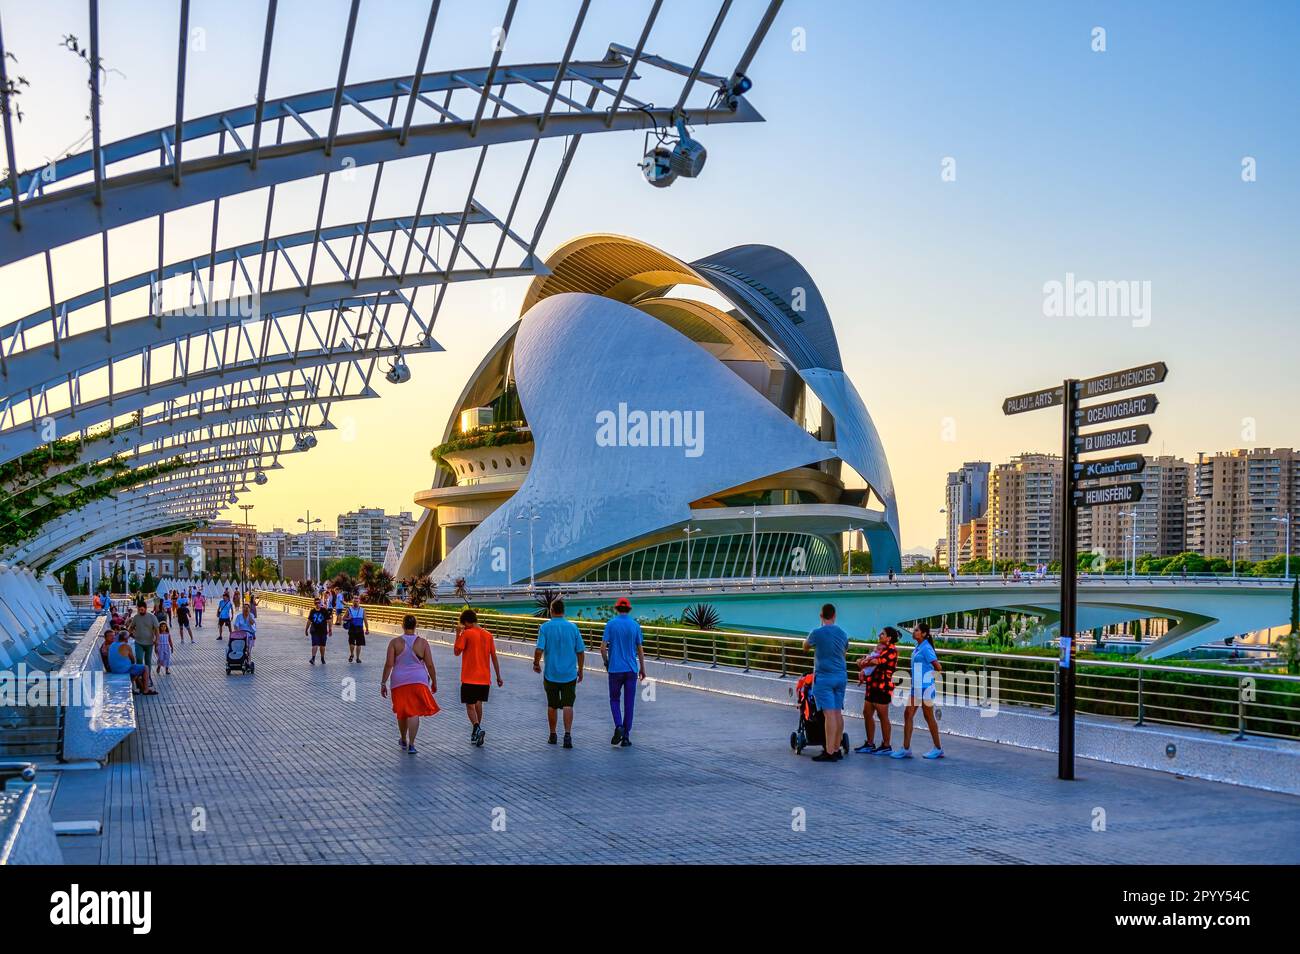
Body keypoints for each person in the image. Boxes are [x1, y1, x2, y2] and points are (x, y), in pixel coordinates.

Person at [381, 615, 439, 754]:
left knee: (402, 711)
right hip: (419, 680)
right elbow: (430, 665)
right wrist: (434, 682)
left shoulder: (395, 643)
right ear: (415, 625)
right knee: (414, 712)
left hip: (399, 681)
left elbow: (389, 664)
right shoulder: (423, 643)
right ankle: (412, 744)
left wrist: (383, 682)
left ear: (402, 625)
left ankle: (403, 739)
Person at [534, 598, 585, 748]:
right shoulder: (573, 628)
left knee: (552, 705)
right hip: (569, 674)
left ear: (551, 610)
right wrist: (580, 670)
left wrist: (536, 663)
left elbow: (539, 649)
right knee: (568, 705)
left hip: (551, 674)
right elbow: (580, 651)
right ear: (563, 611)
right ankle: (567, 735)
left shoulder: (545, 627)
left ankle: (553, 734)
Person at [803, 602, 849, 762]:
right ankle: (836, 749)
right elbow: (844, 651)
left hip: (824, 678)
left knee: (829, 714)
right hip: (841, 677)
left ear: (821, 616)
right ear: (835, 616)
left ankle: (829, 752)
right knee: (837, 712)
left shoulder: (816, 632)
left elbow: (805, 647)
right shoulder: (842, 633)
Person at [892, 622, 944, 760]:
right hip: (916, 687)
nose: (914, 632)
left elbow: (938, 667)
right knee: (908, 714)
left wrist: (928, 677)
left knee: (928, 717)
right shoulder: (918, 647)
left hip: (926, 688)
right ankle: (906, 749)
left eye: (916, 630)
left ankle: (938, 749)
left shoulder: (926, 648)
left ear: (924, 634)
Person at [600, 597, 645, 747]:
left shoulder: (611, 624)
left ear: (617, 609)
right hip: (631, 669)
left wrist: (607, 662)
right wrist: (643, 669)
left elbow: (602, 648)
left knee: (614, 699)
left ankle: (618, 725)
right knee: (629, 704)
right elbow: (640, 649)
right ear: (629, 609)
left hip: (615, 669)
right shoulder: (635, 625)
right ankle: (626, 737)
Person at [454, 608, 502, 746]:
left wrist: (458, 634)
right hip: (484, 678)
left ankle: (476, 727)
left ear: (467, 622)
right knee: (478, 703)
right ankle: (476, 732)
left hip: (469, 677)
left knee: (470, 706)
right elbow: (494, 657)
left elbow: (457, 651)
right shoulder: (488, 635)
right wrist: (498, 676)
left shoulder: (467, 633)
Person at [855, 626, 900, 755]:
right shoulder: (878, 649)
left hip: (883, 687)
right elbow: (870, 660)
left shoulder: (891, 650)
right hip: (872, 685)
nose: (880, 635)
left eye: (883, 634)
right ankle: (869, 743)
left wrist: (862, 662)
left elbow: (876, 661)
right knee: (867, 713)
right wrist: (864, 663)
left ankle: (886, 745)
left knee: (882, 716)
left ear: (889, 638)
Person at [108, 629, 156, 695]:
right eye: (128, 636)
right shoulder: (126, 646)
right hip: (123, 670)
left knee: (135, 669)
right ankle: (146, 690)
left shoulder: (112, 644)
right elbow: (133, 660)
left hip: (114, 670)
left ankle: (141, 688)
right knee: (145, 668)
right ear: (126, 638)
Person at [128, 601, 160, 672]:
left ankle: (148, 676)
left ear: (145, 608)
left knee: (148, 660)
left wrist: (157, 640)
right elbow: (131, 627)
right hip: (138, 642)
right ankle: (139, 676)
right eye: (139, 610)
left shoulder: (152, 617)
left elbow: (157, 630)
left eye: (142, 610)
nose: (140, 611)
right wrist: (127, 635)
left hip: (149, 643)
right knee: (139, 659)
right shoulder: (136, 617)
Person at [306, 597, 331, 664]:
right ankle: (313, 658)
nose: (317, 604)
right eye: (316, 603)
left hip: (323, 631)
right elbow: (309, 621)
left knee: (322, 646)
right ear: (314, 603)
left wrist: (330, 629)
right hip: (314, 630)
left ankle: (322, 658)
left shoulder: (324, 611)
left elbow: (329, 620)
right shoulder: (312, 611)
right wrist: (306, 629)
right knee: (315, 644)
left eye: (319, 603)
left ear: (321, 603)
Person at [345, 595, 369, 663]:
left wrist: (367, 629)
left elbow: (365, 620)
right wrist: (348, 618)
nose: (356, 602)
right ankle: (355, 657)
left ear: (359, 602)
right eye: (355, 601)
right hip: (353, 628)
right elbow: (344, 618)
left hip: (359, 628)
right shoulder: (349, 609)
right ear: (352, 602)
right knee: (354, 643)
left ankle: (355, 656)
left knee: (358, 644)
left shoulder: (362, 610)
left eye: (357, 601)